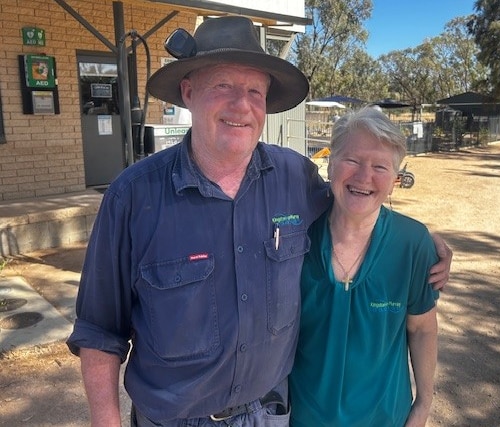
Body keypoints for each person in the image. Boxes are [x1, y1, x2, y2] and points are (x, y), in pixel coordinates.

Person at [67, 16, 451, 427]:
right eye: (224, 87)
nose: (241, 105)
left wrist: (425, 241)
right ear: (189, 91)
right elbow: (99, 330)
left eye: (254, 91)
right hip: (173, 419)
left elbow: (356, 202)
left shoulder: (295, 178)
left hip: (269, 415)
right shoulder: (132, 196)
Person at [289, 107, 439, 426]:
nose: (363, 177)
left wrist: (423, 404)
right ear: (330, 164)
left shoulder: (411, 243)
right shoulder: (295, 237)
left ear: (395, 180)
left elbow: (422, 328)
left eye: (380, 167)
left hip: (385, 418)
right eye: (352, 161)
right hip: (302, 417)